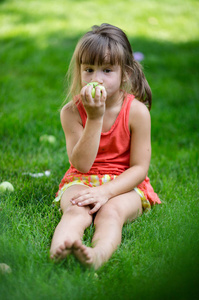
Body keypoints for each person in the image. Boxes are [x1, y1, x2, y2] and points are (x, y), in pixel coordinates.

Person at [50, 23, 161, 269]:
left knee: (112, 213)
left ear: (126, 73)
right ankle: (61, 249)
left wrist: (106, 192)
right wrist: (95, 118)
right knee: (76, 212)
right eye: (88, 69)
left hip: (124, 183)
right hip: (83, 177)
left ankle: (97, 256)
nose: (96, 78)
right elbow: (80, 164)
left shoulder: (137, 112)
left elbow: (139, 168)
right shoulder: (71, 112)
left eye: (107, 70)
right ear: (79, 71)